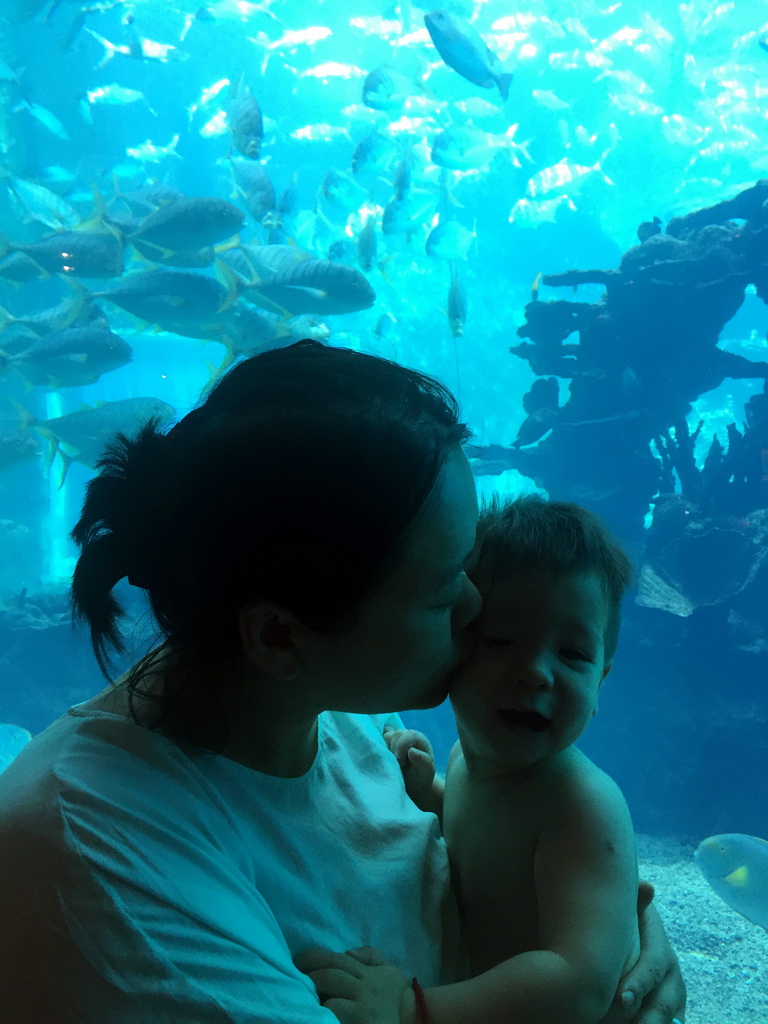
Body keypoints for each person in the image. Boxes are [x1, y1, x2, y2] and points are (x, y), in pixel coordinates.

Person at [0, 339, 685, 1023]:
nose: (479, 608)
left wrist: (614, 946)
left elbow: (525, 904)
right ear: (278, 636)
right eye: (446, 585)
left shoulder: (322, 709)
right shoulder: (110, 864)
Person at [373, 494, 647, 1024]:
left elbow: (579, 982)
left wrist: (416, 1007)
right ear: (454, 640)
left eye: (572, 654)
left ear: (601, 681)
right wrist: (424, 791)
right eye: (502, 640)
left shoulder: (581, 807)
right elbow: (484, 838)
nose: (537, 672)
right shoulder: (467, 761)